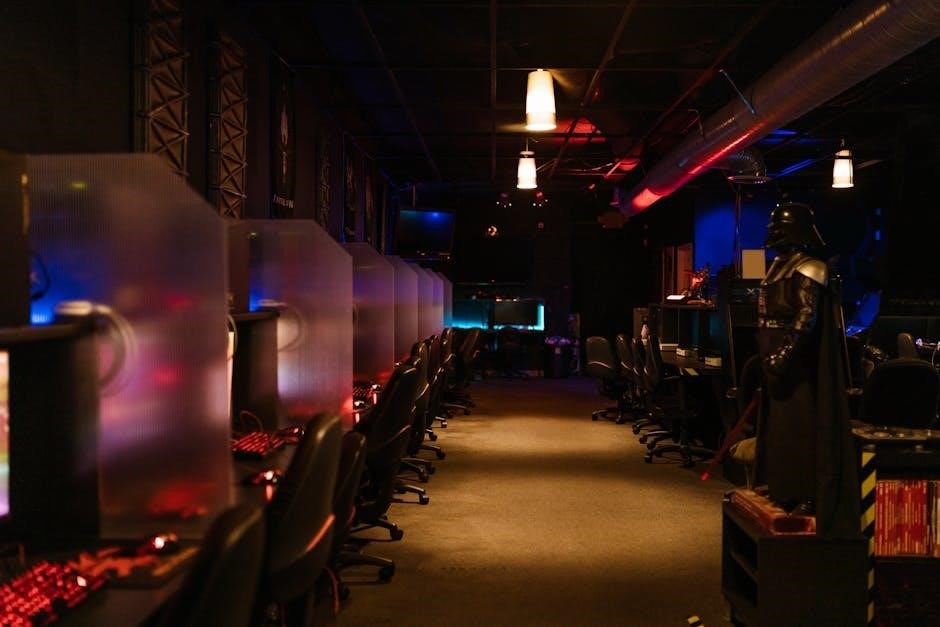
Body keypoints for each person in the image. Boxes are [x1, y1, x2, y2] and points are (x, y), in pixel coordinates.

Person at [754, 202, 859, 538]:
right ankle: (783, 486)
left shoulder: (810, 267)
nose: (772, 232)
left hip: (797, 366)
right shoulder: (779, 265)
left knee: (801, 428)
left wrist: (784, 354)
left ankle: (806, 493)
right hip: (775, 358)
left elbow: (805, 318)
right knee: (780, 429)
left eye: (778, 226)